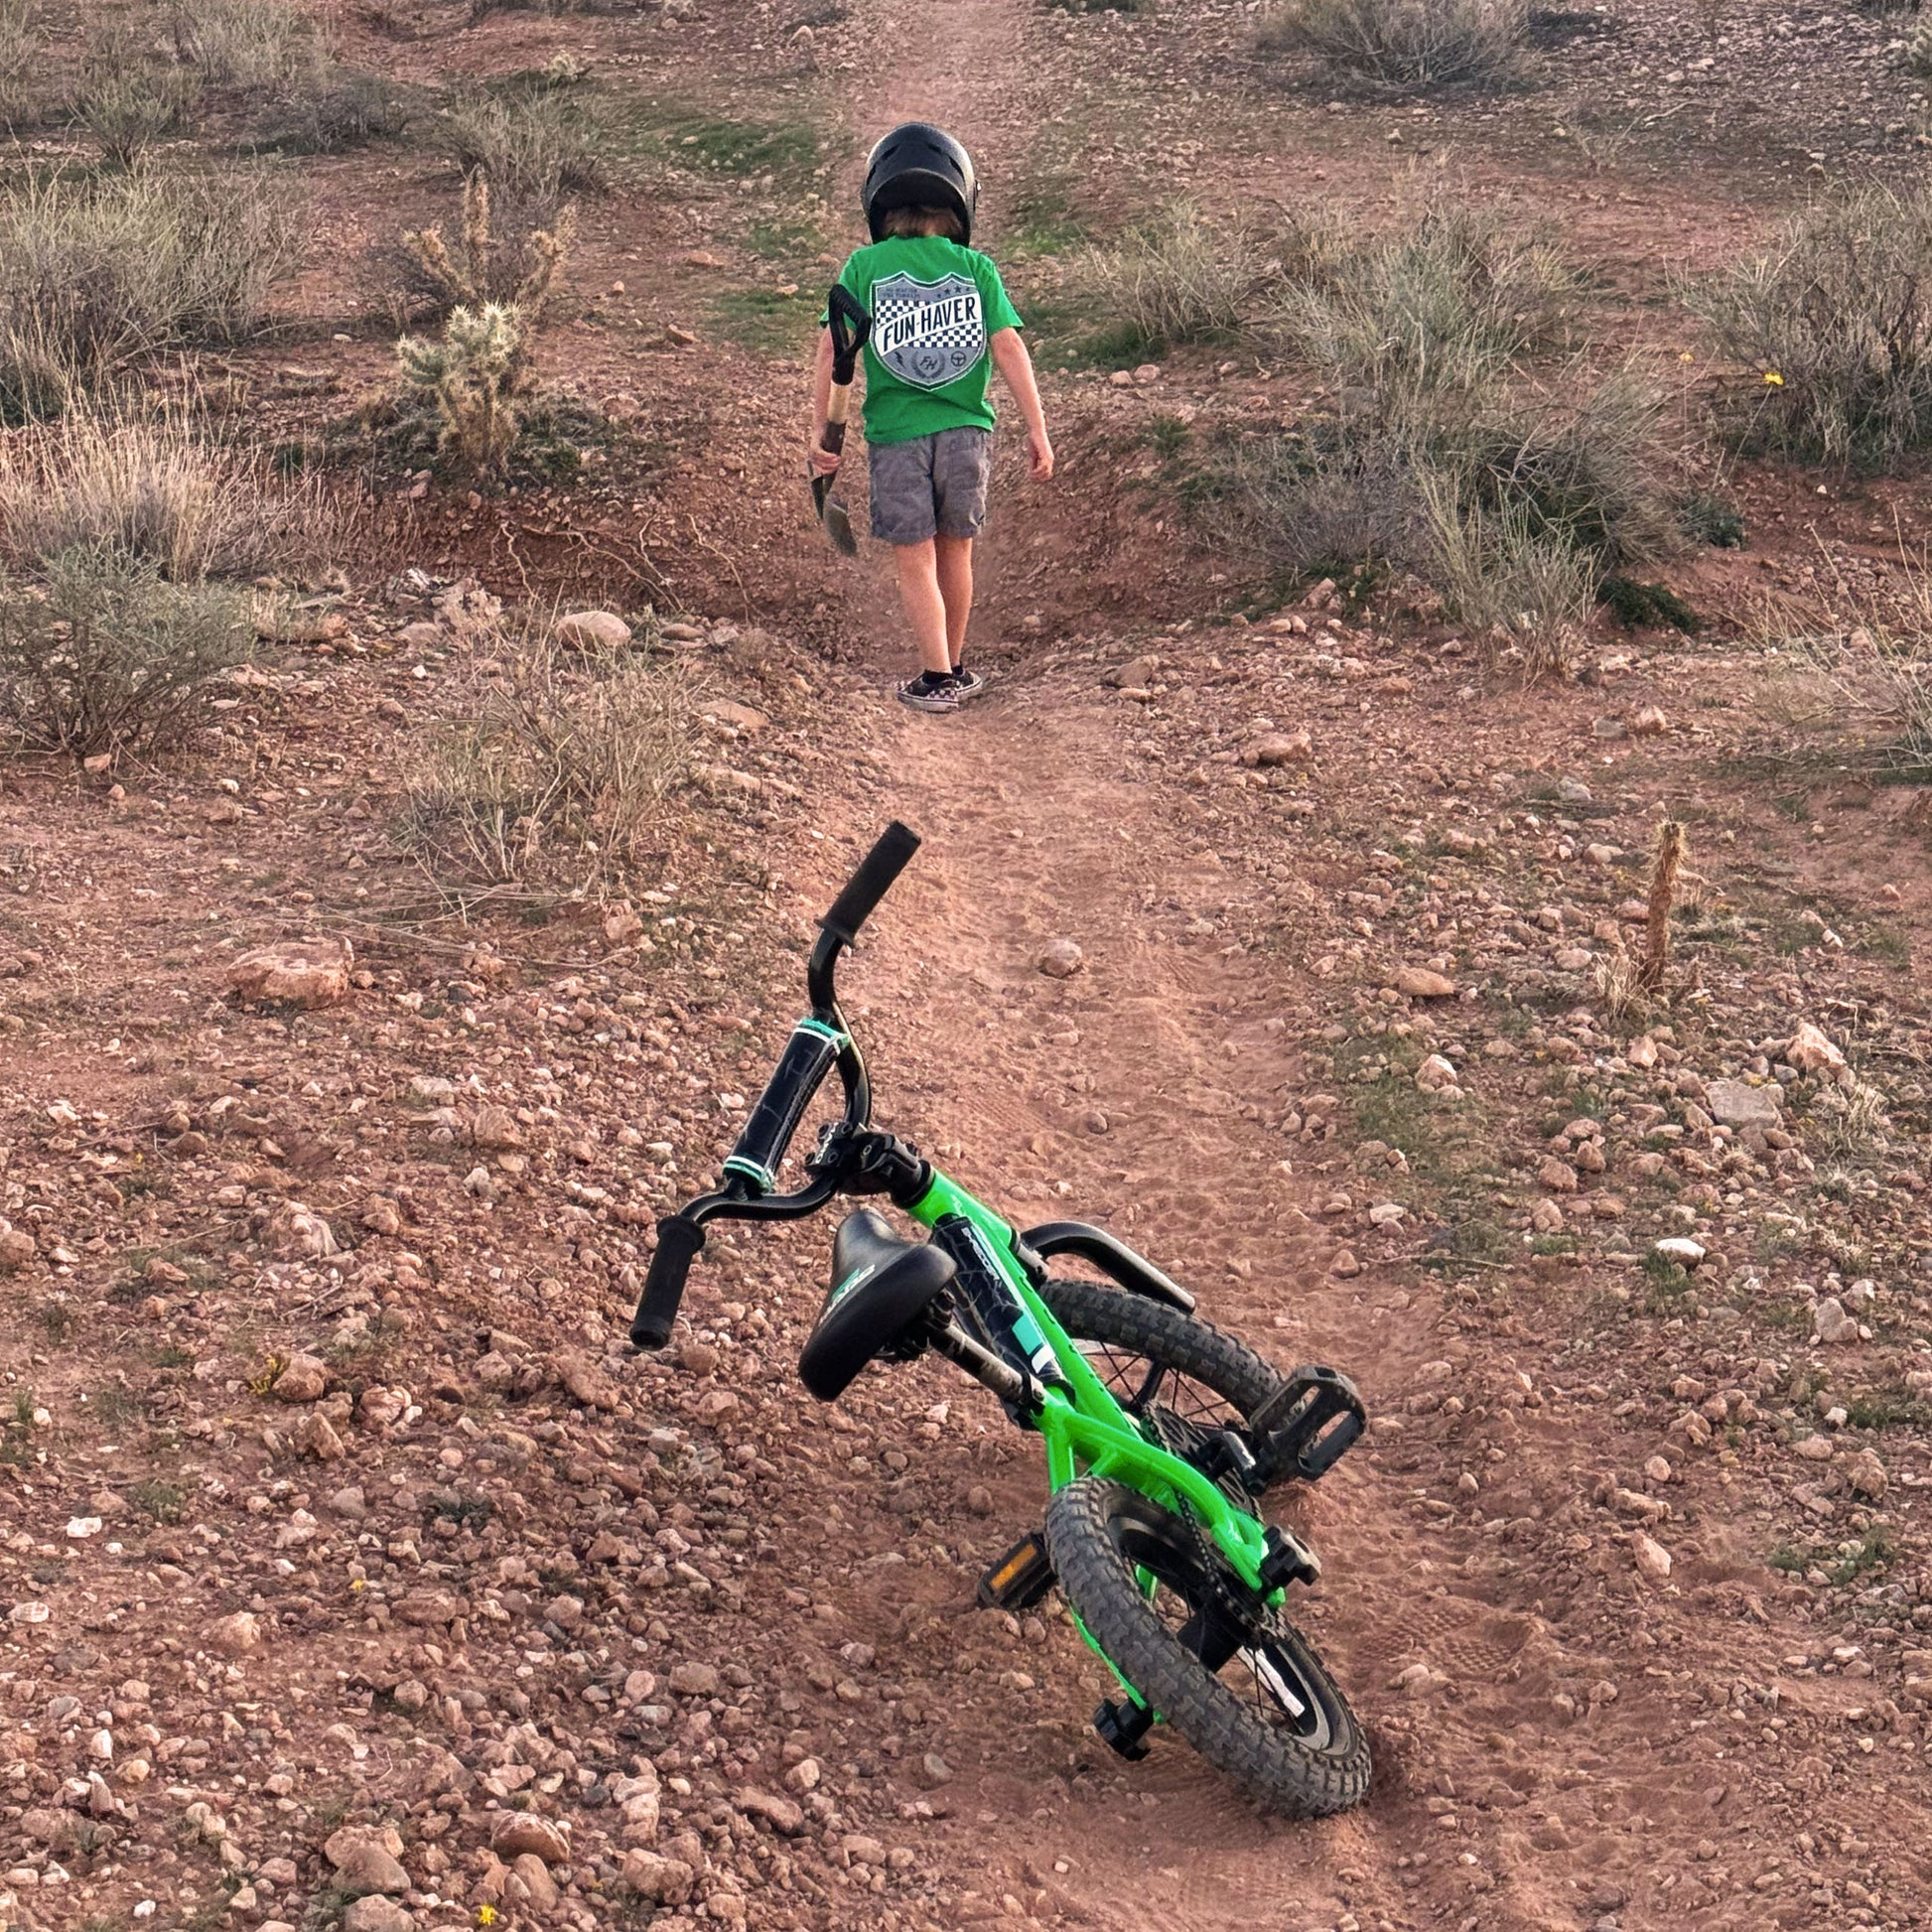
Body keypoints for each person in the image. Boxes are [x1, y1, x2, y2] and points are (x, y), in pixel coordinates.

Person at [809, 122, 1053, 714]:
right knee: (956, 552)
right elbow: (1010, 349)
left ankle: (935, 676)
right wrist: (1038, 431)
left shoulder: (865, 267)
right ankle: (956, 666)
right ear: (959, 203)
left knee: (915, 558)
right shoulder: (977, 268)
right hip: (969, 433)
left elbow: (831, 351)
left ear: (879, 202)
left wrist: (821, 433)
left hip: (898, 439)